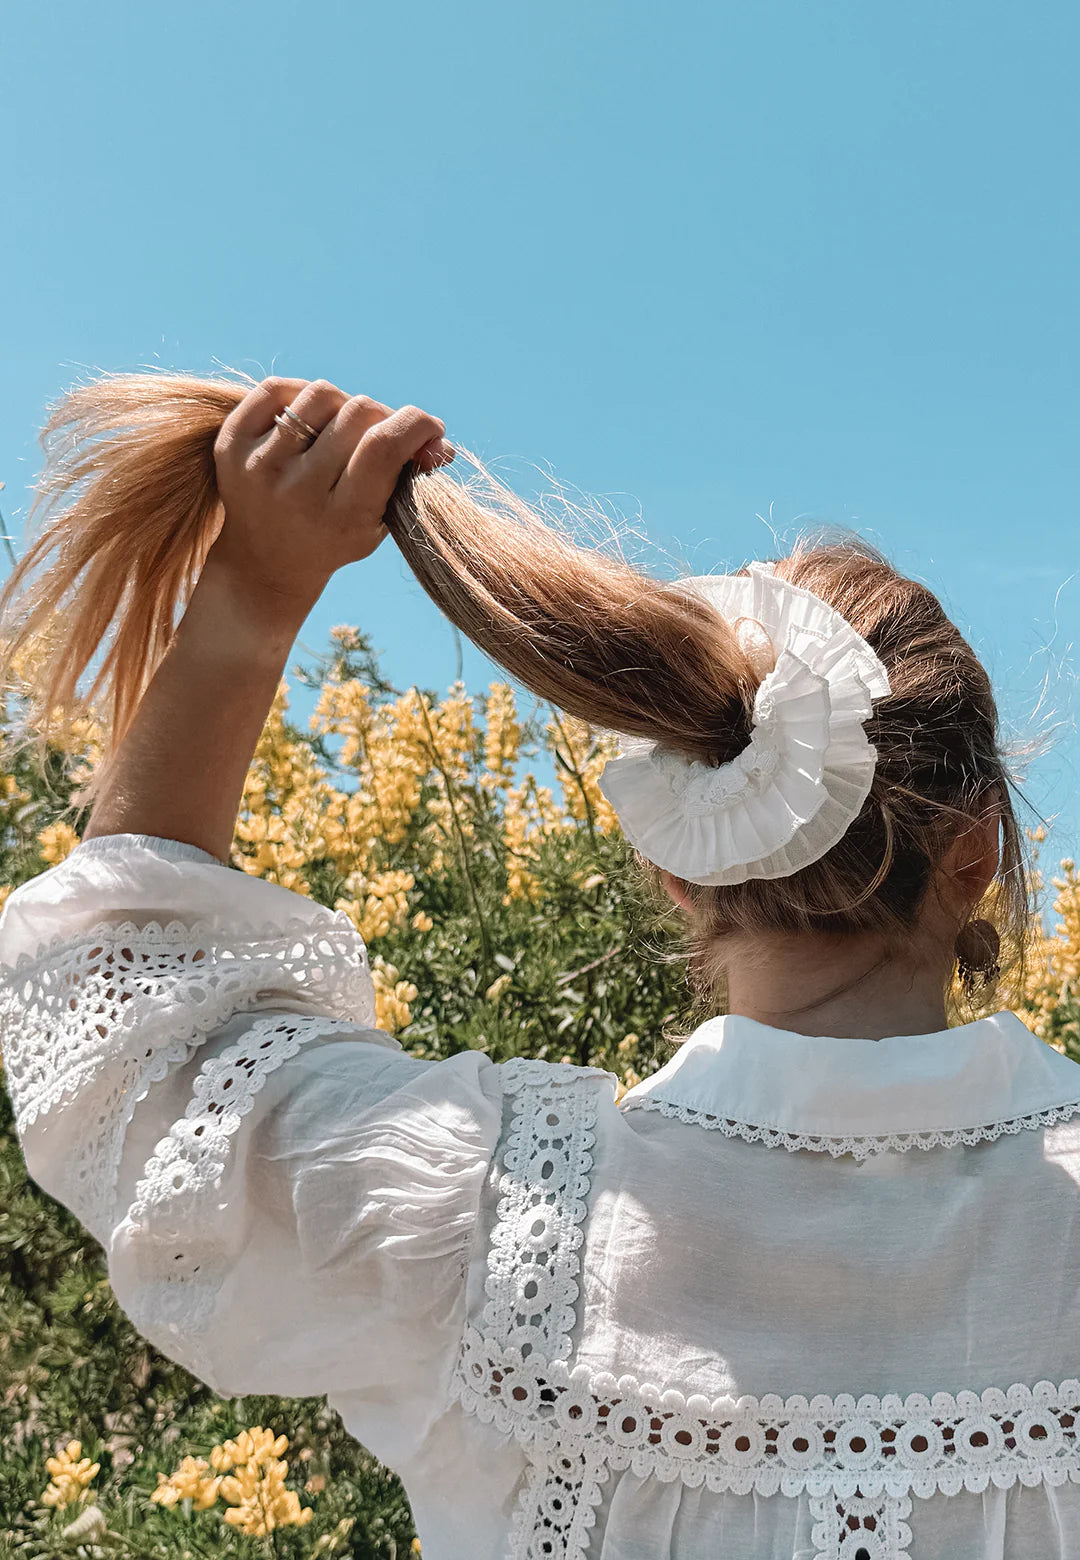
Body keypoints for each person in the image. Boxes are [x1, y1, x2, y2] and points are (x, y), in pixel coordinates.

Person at [0, 371, 1077, 1560]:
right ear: (978, 852)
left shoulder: (498, 1229)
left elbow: (134, 1017)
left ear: (679, 864)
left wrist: (253, 589)